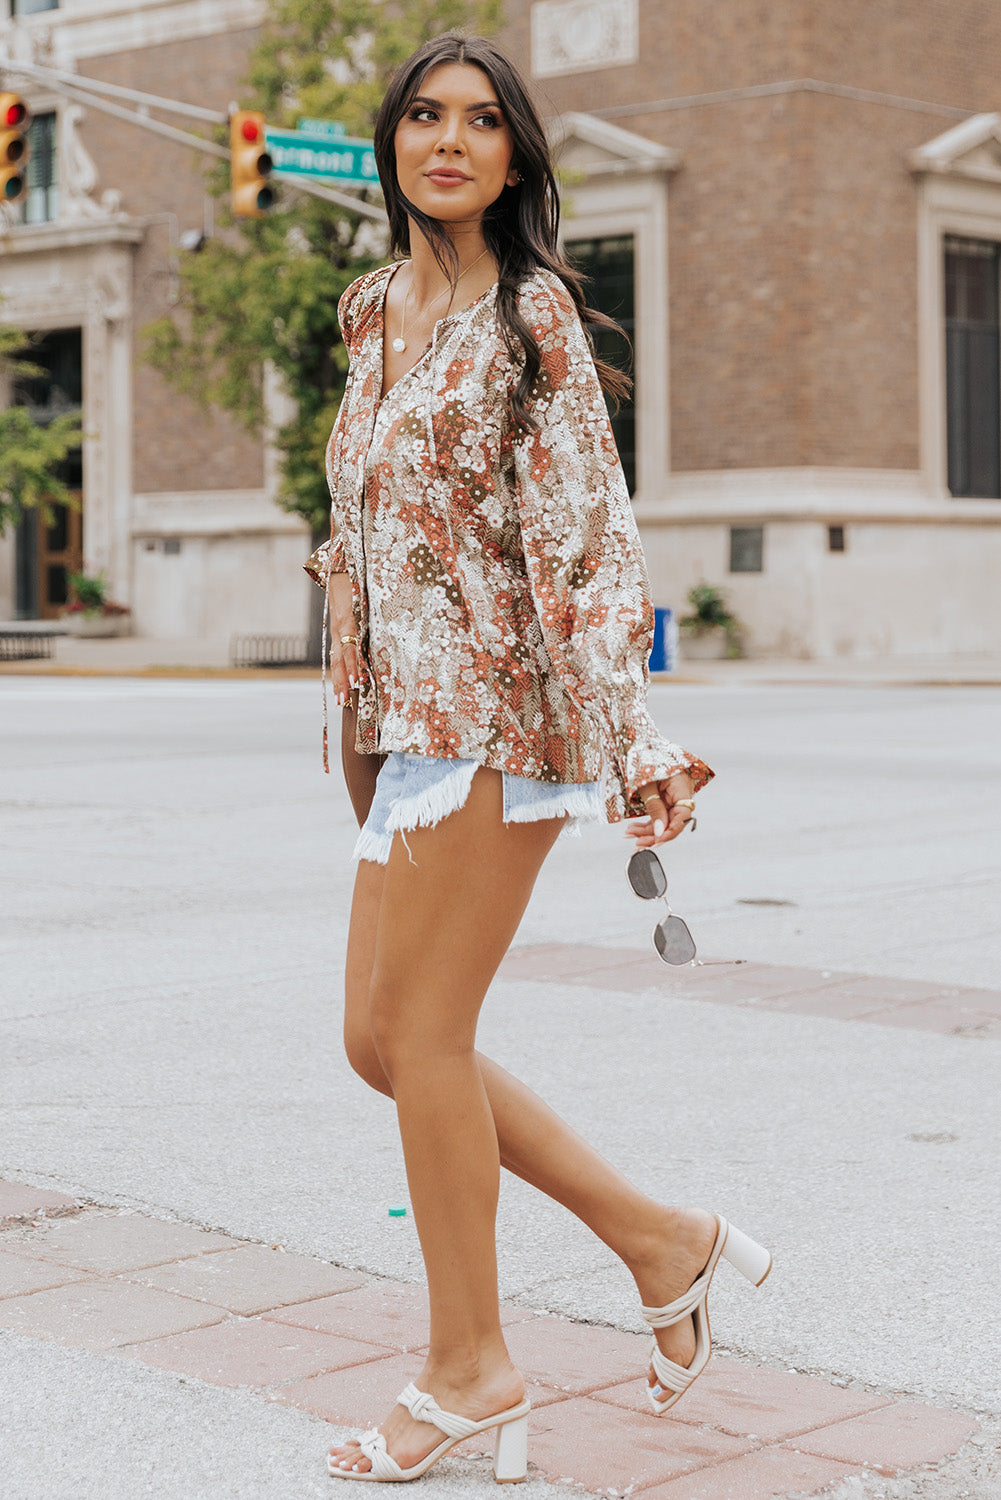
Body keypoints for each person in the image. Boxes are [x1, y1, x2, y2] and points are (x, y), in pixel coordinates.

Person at [311, 32, 771, 1484]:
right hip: (401, 723)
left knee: (425, 1037)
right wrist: (348, 668)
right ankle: (664, 1242)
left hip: (506, 715)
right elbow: (373, 524)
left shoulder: (534, 318)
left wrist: (630, 732)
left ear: (515, 156)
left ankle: (470, 1371)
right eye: (426, 116)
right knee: (375, 1042)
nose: (449, 141)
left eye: (483, 122)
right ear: (393, 141)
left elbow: (586, 535)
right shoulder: (368, 308)